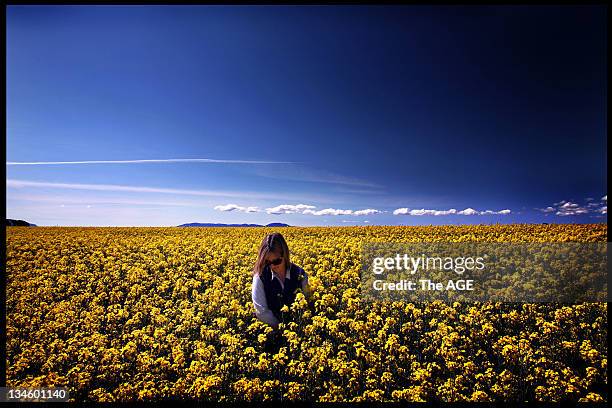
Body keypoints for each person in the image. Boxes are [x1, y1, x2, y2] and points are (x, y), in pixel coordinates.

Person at [251, 232, 309, 330]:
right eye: (267, 262)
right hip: (272, 331)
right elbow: (261, 311)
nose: (272, 266)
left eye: (276, 261)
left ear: (285, 255)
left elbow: (307, 302)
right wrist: (282, 329)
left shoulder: (300, 273)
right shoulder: (260, 277)